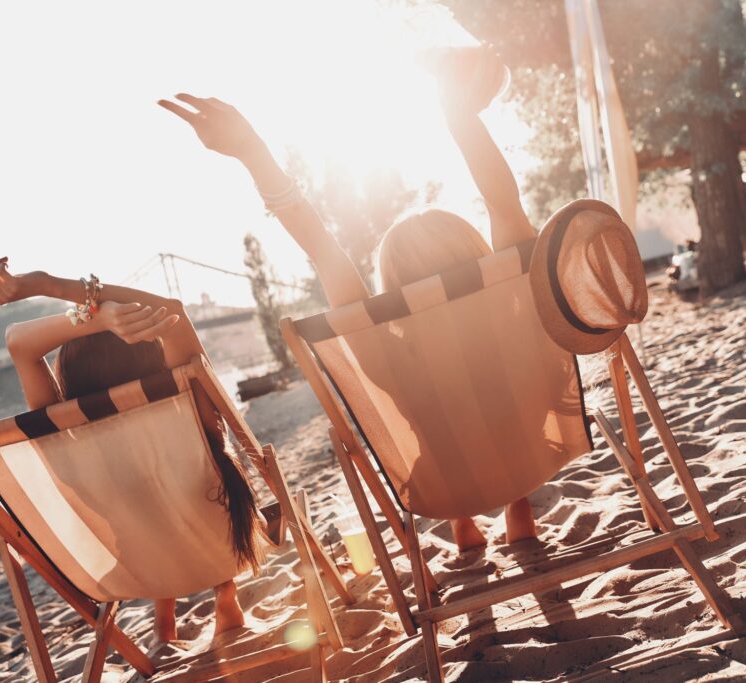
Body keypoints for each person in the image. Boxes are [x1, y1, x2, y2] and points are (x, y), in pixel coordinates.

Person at [158, 46, 537, 550]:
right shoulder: (513, 306)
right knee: (505, 422)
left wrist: (254, 153)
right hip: (532, 460)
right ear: (477, 254)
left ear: (392, 286)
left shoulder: (384, 357)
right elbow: (502, 200)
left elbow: (321, 248)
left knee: (441, 440)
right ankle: (518, 506)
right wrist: (461, 117)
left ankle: (462, 523)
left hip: (444, 487)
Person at [0, 253, 258, 643]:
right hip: (222, 545)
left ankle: (164, 616)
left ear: (69, 372)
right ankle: (226, 596)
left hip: (137, 566)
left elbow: (17, 342)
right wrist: (52, 286)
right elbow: (172, 311)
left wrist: (94, 319)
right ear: (152, 352)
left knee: (136, 495)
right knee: (199, 471)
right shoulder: (188, 399)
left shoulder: (64, 428)